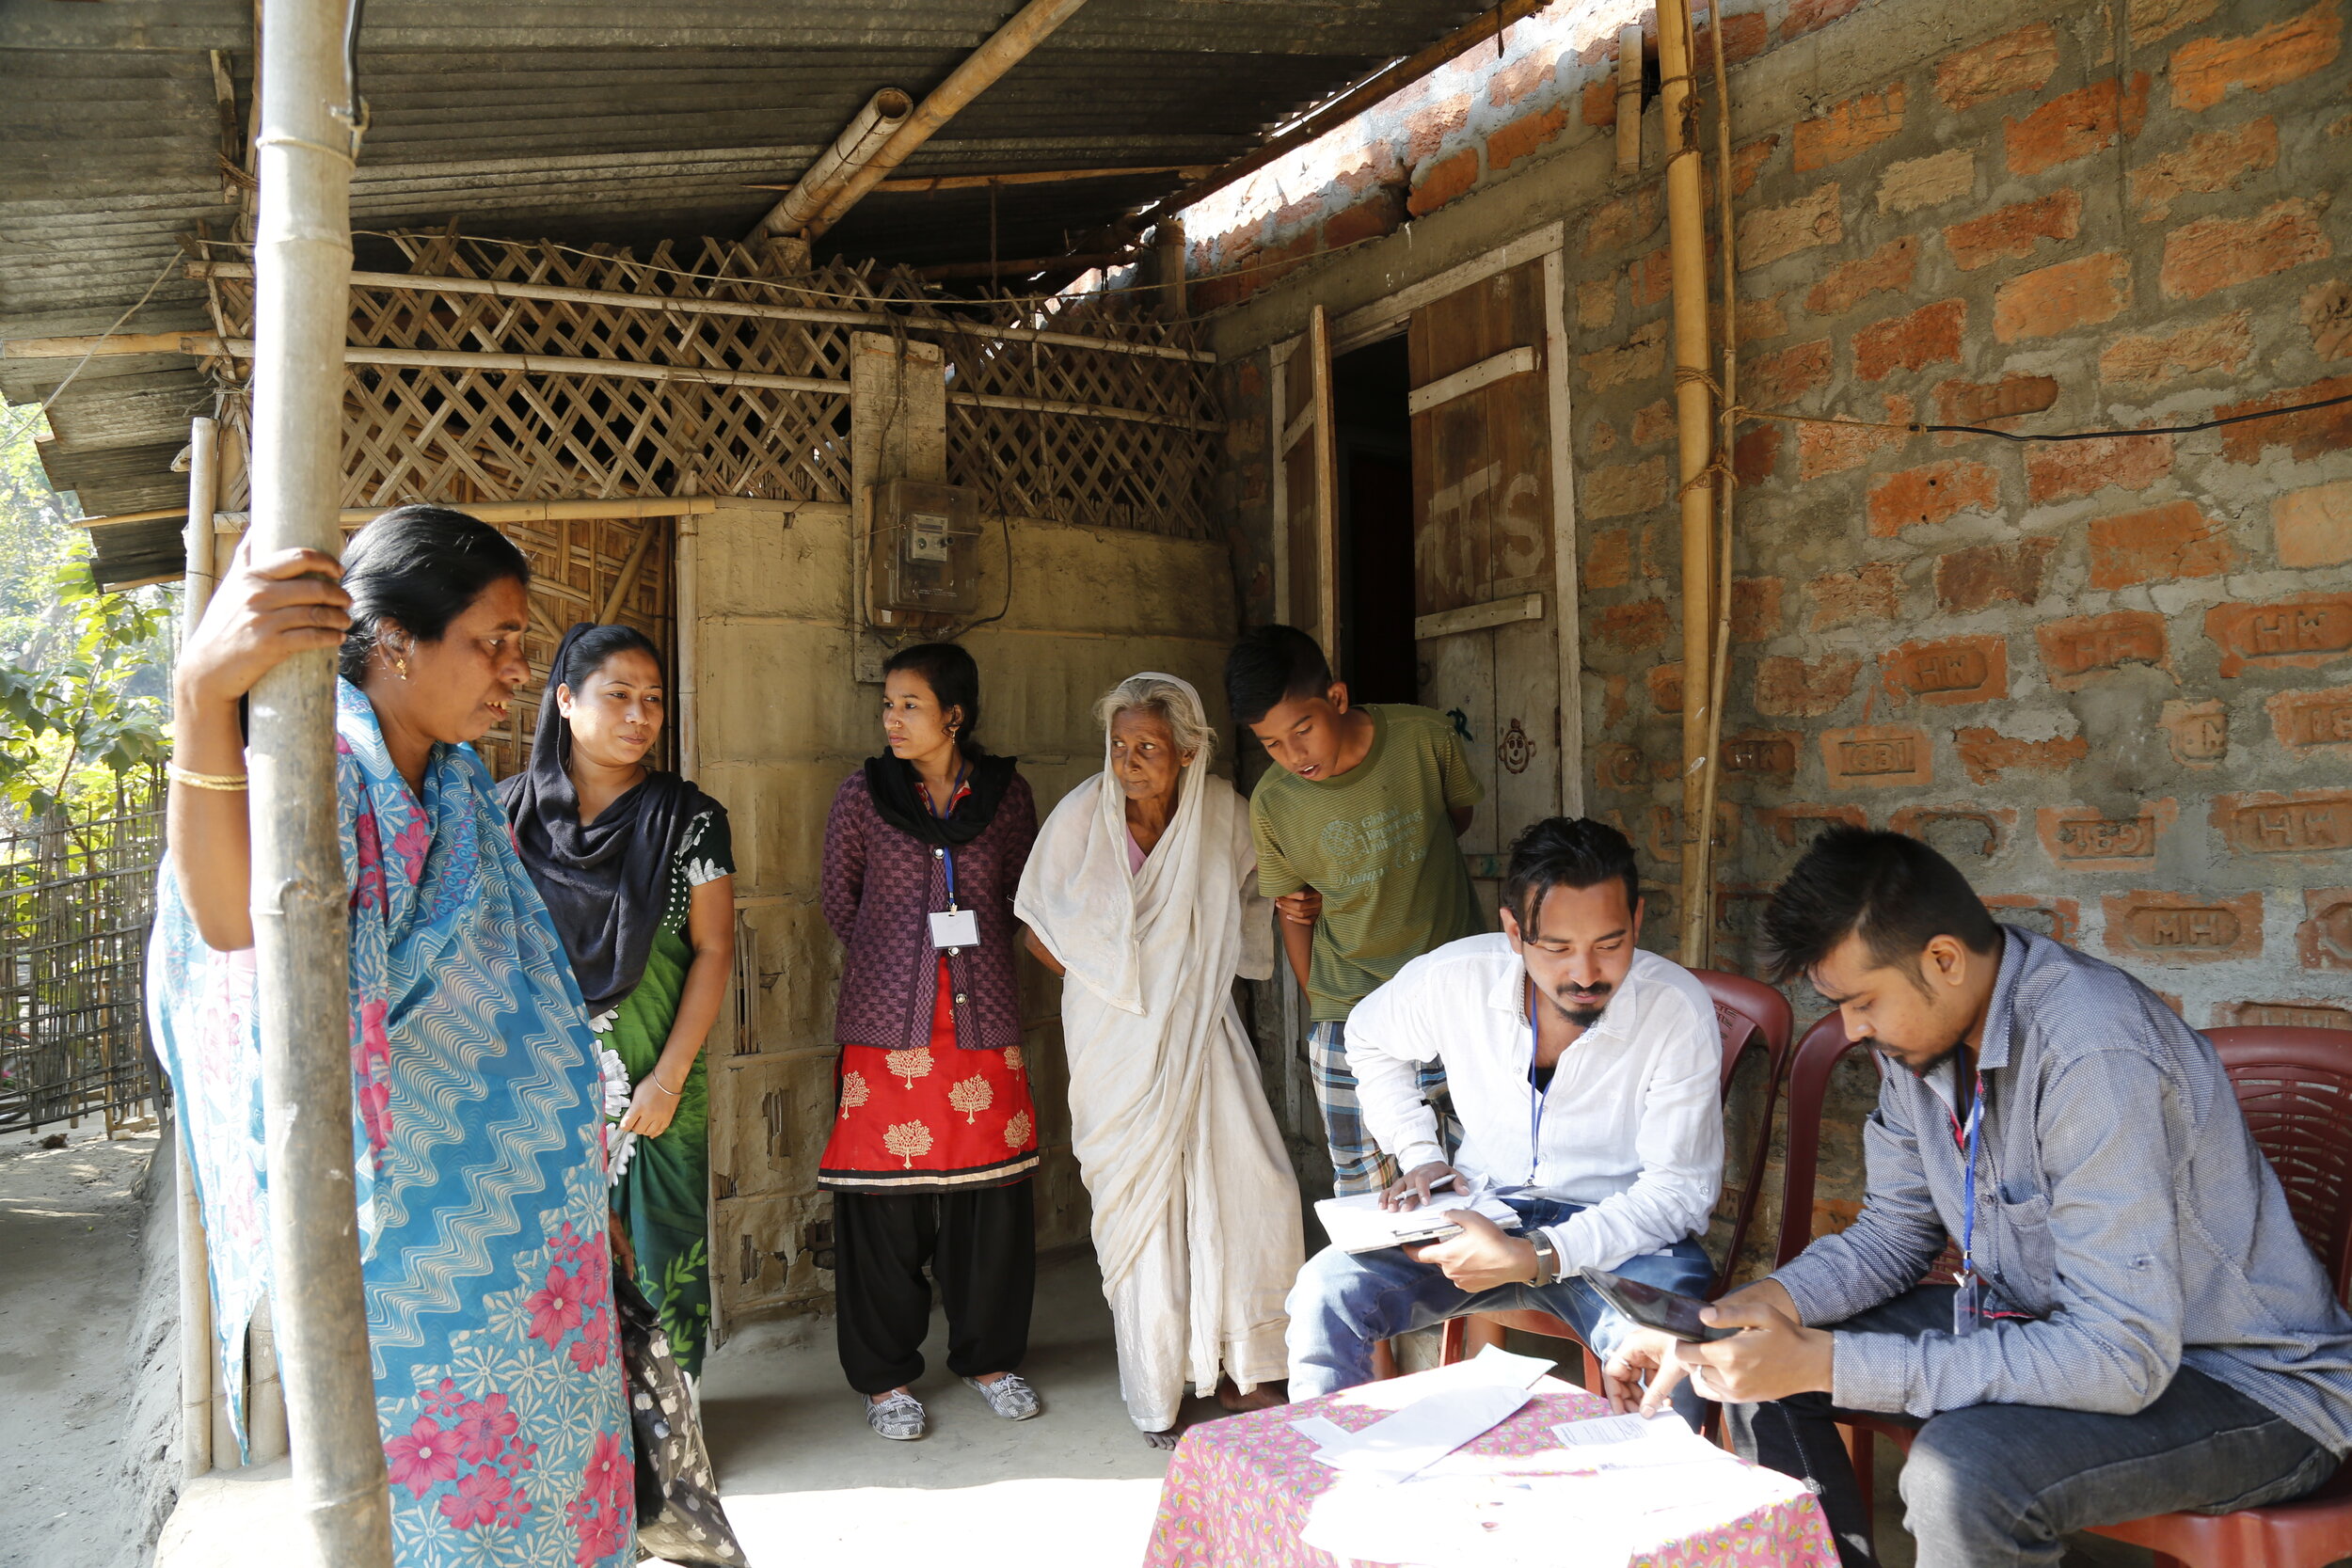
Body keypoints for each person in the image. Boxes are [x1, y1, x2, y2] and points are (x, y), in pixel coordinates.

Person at [1604, 827, 2352, 1568]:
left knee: (1962, 1475)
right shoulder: (1920, 1038)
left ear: (1943, 959)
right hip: (2046, 1319)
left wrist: (1828, 1361)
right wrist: (1745, 1310)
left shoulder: (2092, 1052)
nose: (1854, 1029)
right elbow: (1893, 1234)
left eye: (1862, 1001)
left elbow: (2120, 1353)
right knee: (1752, 1353)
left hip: (2243, 1384)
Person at [153, 507, 636, 1565]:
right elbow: (234, 924)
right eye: (492, 640)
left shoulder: (454, 781)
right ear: (395, 639)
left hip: (537, 1270)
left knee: (559, 1506)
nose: (516, 669)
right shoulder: (315, 761)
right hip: (424, 1269)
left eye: (521, 642)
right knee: (449, 1523)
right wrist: (199, 695)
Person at [1286, 816, 1724, 1428]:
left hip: (1623, 1238)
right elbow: (1366, 1036)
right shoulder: (1457, 977)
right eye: (1557, 946)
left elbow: (1679, 1192)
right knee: (1323, 1292)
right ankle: (1323, 1492)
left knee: (1668, 1346)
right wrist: (1420, 1153)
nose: (1586, 972)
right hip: (1483, 1212)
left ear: (1639, 920)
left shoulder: (1674, 1008)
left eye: (1609, 941)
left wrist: (1537, 1254)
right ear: (1515, 931)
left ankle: (1665, 1515)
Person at [1016, 673, 1304, 1447]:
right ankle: (1161, 1389)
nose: (1130, 760)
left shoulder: (1223, 814)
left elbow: (1272, 875)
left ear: (1187, 750)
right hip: (1115, 1040)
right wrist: (1119, 985)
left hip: (1202, 1029)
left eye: (1148, 746)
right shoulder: (1082, 815)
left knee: (1250, 1184)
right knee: (1143, 1215)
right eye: (1119, 745)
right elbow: (1036, 927)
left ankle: (1249, 1367)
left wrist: (1296, 906)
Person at [819, 641, 1042, 1441]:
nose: (892, 718)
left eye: (909, 704)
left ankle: (989, 1358)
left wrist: (969, 962)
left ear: (955, 713)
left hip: (983, 1027)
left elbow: (1026, 894)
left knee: (991, 1198)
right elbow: (839, 901)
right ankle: (886, 1379)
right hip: (889, 1033)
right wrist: (898, 963)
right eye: (888, 704)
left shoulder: (1007, 798)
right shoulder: (863, 795)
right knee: (884, 1206)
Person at [501, 622, 734, 1379]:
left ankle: (675, 1436)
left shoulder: (692, 820)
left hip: (658, 1089)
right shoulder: (505, 818)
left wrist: (667, 1078)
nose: (641, 715)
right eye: (620, 696)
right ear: (566, 700)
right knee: (550, 1268)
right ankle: (574, 1439)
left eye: (654, 700)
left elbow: (712, 949)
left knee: (662, 1249)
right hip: (538, 1087)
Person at [1226, 624, 1484, 1197]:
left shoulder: (1424, 737)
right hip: (1350, 1003)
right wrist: (1324, 1011)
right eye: (1270, 743)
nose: (1293, 755)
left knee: (1478, 1179)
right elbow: (1294, 911)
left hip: (1454, 995)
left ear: (1336, 699)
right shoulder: (1273, 802)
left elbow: (1455, 819)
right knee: (1370, 1195)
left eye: (1303, 730)